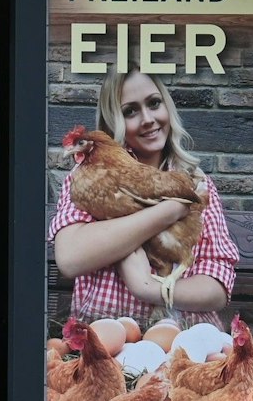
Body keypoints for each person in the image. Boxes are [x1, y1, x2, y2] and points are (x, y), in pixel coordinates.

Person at [50, 71, 238, 327]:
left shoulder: (197, 182)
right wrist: (169, 211)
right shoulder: (86, 178)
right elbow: (71, 258)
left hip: (185, 341)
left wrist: (148, 288)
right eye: (130, 111)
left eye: (154, 103)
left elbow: (217, 285)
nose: (148, 119)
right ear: (113, 120)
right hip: (107, 339)